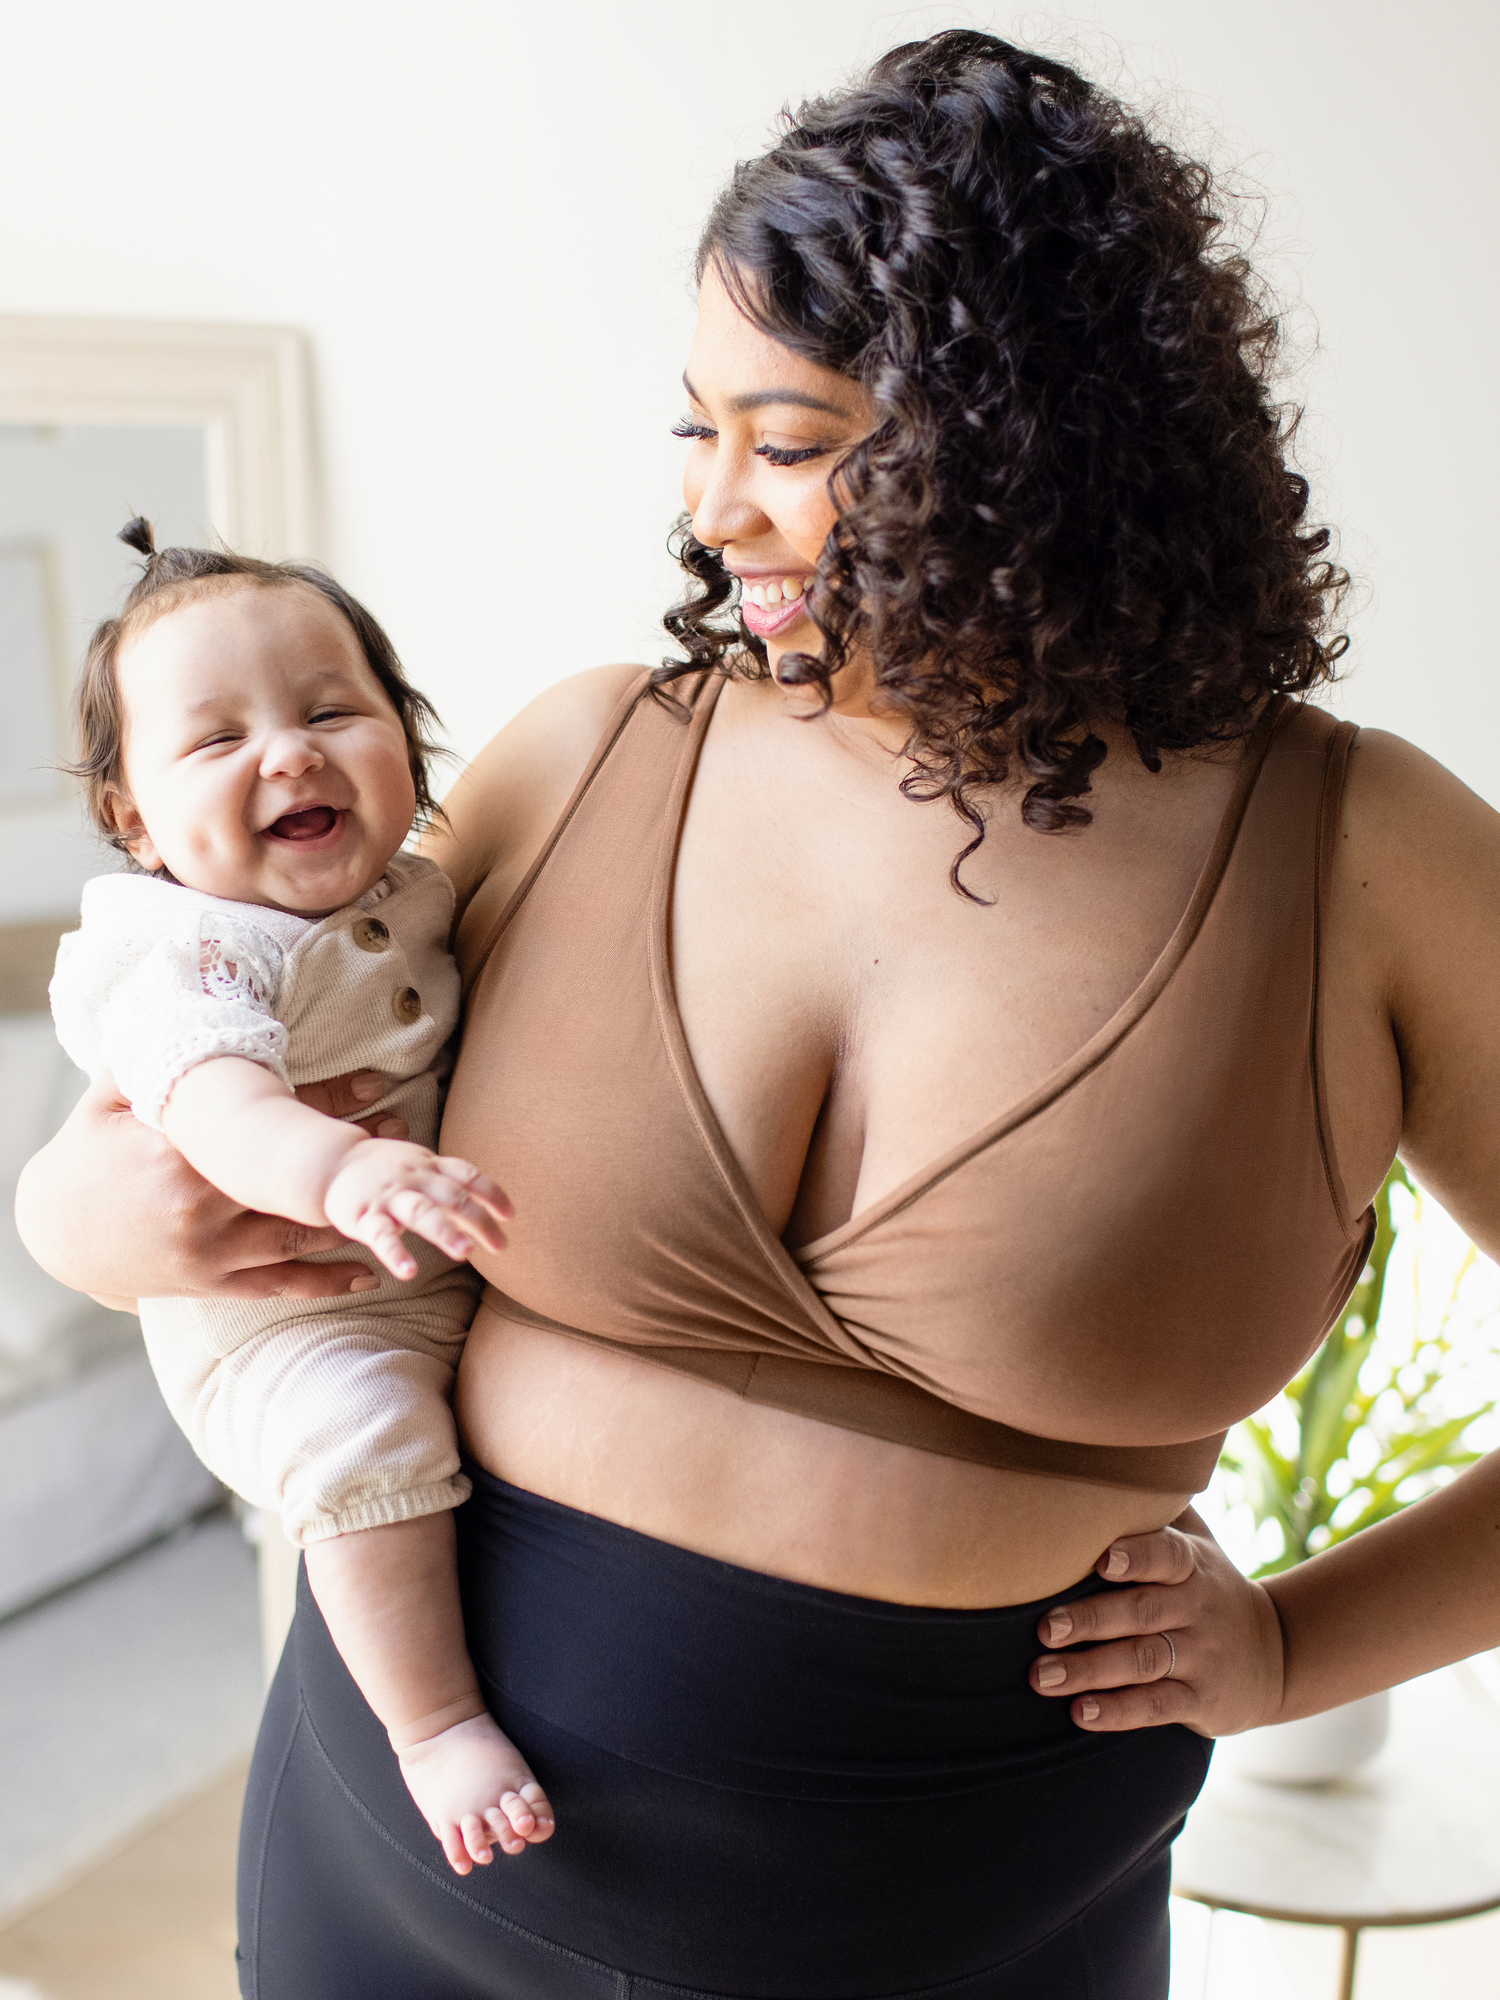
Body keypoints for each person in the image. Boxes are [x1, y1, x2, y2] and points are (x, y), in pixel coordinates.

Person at [17, 30, 1500, 2000]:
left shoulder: (1360, 847)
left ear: (1030, 437)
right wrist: (84, 1222)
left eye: (788, 442)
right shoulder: (584, 759)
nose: (717, 509)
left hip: (957, 1922)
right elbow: (200, 1023)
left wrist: (1306, 1646)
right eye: (693, 432)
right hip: (402, 1846)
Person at [48, 523, 551, 1873]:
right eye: (216, 742)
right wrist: (340, 1167)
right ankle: (435, 1727)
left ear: (411, 737)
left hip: (419, 1273)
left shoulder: (426, 890)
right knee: (360, 1440)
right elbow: (216, 1104)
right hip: (283, 1328)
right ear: (135, 820)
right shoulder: (184, 950)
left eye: (334, 710)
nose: (289, 752)